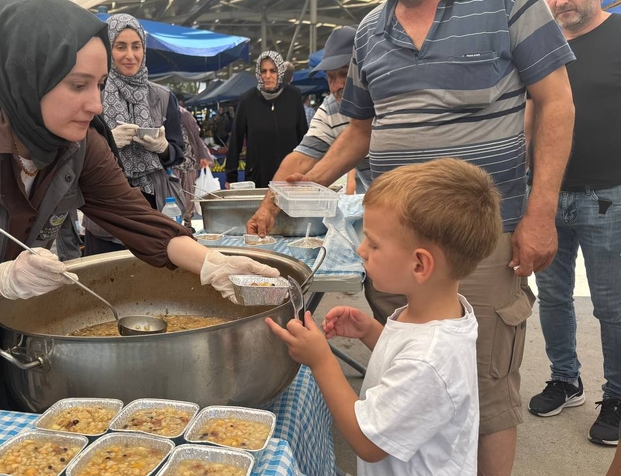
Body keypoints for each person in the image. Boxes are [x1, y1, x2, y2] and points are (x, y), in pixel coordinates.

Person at [0, 0, 279, 410]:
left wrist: (211, 263)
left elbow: (134, 217)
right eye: (77, 85)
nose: (94, 103)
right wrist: (5, 277)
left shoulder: (76, 141)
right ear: (28, 75)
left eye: (100, 84)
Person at [249, 0, 577, 472]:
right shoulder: (369, 32)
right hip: (398, 245)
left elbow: (556, 100)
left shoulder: (509, 5)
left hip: (478, 243)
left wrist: (541, 212)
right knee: (403, 373)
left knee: (486, 390)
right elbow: (359, 130)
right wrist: (299, 190)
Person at [268, 158, 502, 475]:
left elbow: (369, 443)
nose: (361, 250)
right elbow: (406, 361)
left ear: (420, 265)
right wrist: (372, 332)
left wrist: (321, 361)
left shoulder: (430, 358)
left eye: (374, 244)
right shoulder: (432, 314)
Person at [526, 0, 621, 446]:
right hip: (548, 198)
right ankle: (566, 379)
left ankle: (618, 396)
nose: (559, 3)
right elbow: (531, 114)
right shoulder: (542, 44)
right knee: (553, 297)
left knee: (612, 307)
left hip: (609, 197)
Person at [81, 13, 185, 256]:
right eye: (120, 46)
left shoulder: (162, 96)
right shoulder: (94, 93)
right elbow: (75, 152)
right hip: (106, 208)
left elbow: (179, 154)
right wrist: (108, 142)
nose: (130, 55)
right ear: (108, 49)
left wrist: (162, 148)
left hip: (155, 207)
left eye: (136, 46)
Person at [246, 26, 359, 238]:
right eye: (330, 77)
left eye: (344, 75)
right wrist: (267, 208)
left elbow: (358, 138)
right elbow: (300, 158)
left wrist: (312, 180)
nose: (336, 86)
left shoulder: (384, 100)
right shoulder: (330, 108)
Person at [224, 51, 308, 189]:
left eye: (273, 71)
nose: (267, 76)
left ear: (280, 71)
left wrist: (307, 169)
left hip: (290, 176)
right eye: (263, 71)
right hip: (258, 175)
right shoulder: (247, 100)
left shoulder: (294, 96)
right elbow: (236, 140)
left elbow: (303, 136)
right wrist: (230, 177)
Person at [175, 96, 214, 233]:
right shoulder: (160, 115)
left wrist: (203, 155)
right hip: (172, 163)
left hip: (188, 162)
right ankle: (177, 223)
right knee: (174, 195)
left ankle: (187, 223)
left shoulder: (184, 115)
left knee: (188, 194)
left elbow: (196, 137)